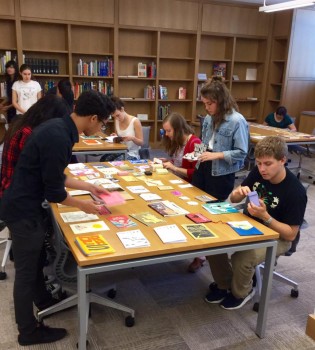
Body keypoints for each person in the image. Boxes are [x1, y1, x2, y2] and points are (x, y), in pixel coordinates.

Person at [0, 90, 116, 346]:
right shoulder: (58, 136)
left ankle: (42, 302)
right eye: (104, 123)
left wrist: (89, 187)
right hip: (22, 210)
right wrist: (85, 206)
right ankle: (27, 332)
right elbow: (54, 192)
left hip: (23, 204)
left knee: (33, 265)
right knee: (26, 274)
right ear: (94, 118)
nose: (102, 128)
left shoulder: (58, 127)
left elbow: (52, 175)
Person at [205, 136, 307, 310]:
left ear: (283, 160)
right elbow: (234, 197)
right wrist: (239, 193)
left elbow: (290, 234)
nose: (262, 169)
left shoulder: (295, 191)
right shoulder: (258, 173)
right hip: (249, 223)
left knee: (243, 257)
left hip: (278, 236)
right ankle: (225, 284)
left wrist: (265, 216)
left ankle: (241, 292)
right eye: (259, 163)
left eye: (268, 164)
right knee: (211, 239)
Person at [189, 79, 248, 272]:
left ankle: (209, 251)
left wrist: (217, 155)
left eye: (209, 103)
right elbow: (205, 142)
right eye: (204, 103)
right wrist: (195, 154)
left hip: (221, 172)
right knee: (194, 204)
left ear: (221, 101)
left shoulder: (237, 121)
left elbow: (241, 152)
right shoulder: (208, 118)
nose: (206, 108)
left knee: (213, 211)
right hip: (204, 166)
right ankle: (196, 249)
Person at [161, 112, 201, 183]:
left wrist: (174, 168)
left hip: (190, 185)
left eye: (169, 131)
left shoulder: (197, 143)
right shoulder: (177, 140)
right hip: (176, 180)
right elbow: (179, 162)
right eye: (165, 131)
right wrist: (169, 162)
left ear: (178, 129)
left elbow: (197, 173)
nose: (166, 134)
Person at [100, 96, 143, 161]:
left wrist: (132, 138)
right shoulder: (117, 121)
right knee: (103, 159)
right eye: (114, 117)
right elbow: (119, 139)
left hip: (132, 153)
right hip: (121, 150)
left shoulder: (135, 121)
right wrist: (115, 136)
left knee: (116, 162)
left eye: (118, 115)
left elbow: (141, 143)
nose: (117, 118)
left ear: (122, 109)